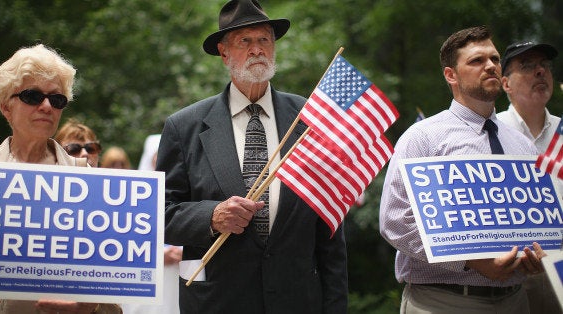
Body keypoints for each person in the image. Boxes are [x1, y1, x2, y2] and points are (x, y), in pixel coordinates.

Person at [156, 0, 348, 313]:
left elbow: (331, 226)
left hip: (298, 300)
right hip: (217, 300)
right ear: (223, 52)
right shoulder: (184, 126)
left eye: (264, 40)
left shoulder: (311, 121)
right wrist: (211, 216)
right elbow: (158, 215)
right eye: (245, 41)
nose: (257, 49)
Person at [0, 44, 121, 314]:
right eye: (32, 96)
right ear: (5, 107)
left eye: (57, 99)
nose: (46, 106)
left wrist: (90, 306)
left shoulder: (89, 182)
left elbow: (116, 290)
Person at [379, 26, 546, 314]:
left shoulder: (523, 146)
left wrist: (538, 253)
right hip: (443, 301)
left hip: (516, 301)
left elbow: (537, 220)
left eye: (494, 59)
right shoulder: (424, 137)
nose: (491, 66)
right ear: (450, 75)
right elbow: (395, 221)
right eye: (476, 61)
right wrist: (472, 262)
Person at [497, 41, 562, 314]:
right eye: (527, 66)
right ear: (506, 84)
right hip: (509, 272)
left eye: (544, 66)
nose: (540, 72)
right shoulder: (489, 132)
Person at [122, 134, 181, 314]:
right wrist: (159, 254)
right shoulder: (131, 196)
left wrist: (182, 250)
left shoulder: (183, 188)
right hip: (145, 278)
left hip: (177, 274)